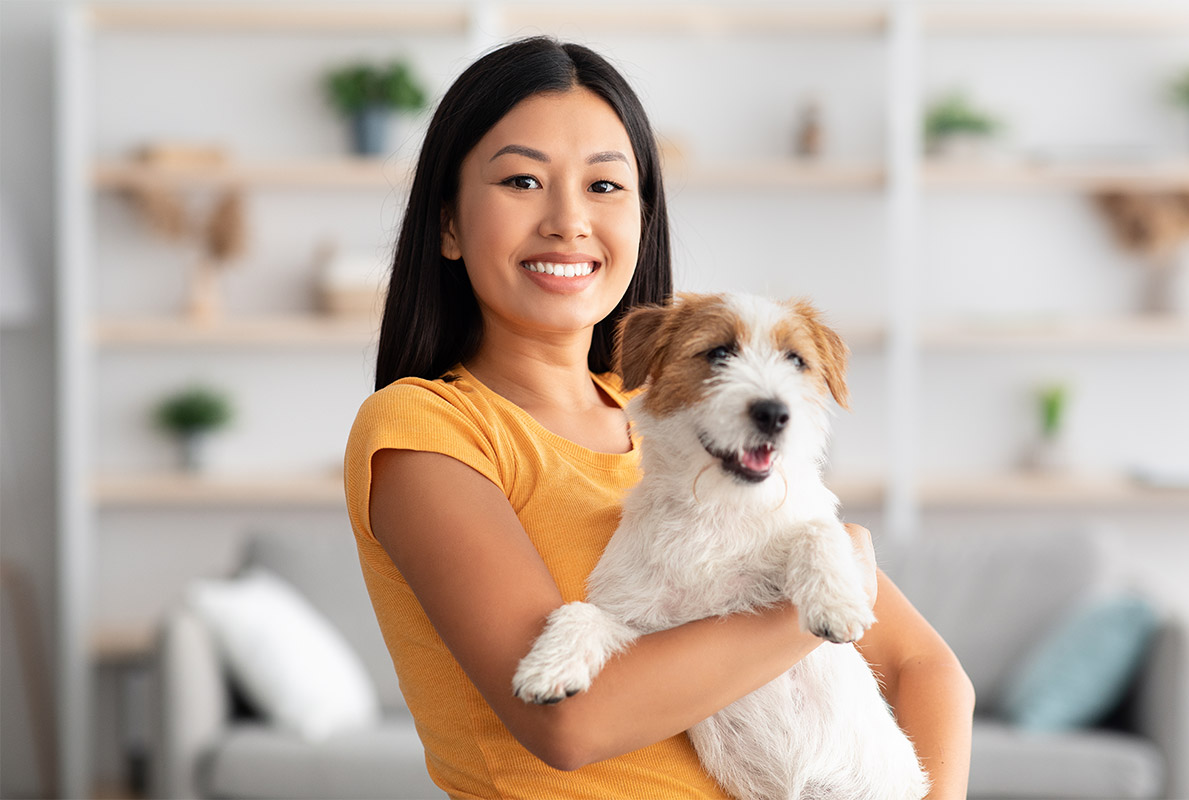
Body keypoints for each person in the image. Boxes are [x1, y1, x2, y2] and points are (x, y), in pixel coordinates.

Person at [345, 36, 974, 799]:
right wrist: (819, 590)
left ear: (643, 215)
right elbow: (567, 724)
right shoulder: (426, 430)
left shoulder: (683, 424)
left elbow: (927, 668)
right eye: (522, 179)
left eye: (605, 186)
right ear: (447, 224)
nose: (568, 221)